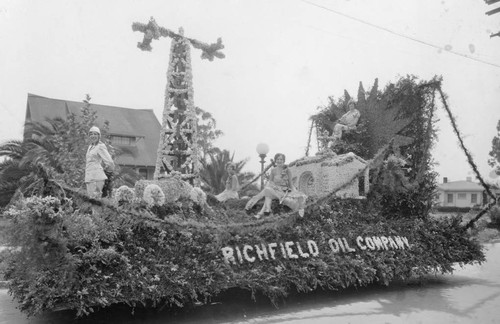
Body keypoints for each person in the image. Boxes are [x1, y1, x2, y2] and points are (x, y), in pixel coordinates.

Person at [245, 153, 306, 218]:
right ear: (275, 160)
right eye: (278, 159)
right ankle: (265, 210)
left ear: (284, 160)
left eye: (281, 159)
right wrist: (274, 187)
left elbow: (291, 184)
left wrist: (296, 193)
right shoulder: (273, 170)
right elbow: (270, 182)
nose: (279, 161)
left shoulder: (287, 170)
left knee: (267, 193)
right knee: (267, 190)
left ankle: (260, 213)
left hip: (284, 191)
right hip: (275, 191)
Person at [85, 126, 115, 198]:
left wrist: (106, 172)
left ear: (99, 136)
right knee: (90, 201)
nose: (93, 136)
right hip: (89, 177)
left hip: (97, 178)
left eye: (95, 134)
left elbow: (110, 163)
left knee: (95, 202)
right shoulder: (90, 147)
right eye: (91, 134)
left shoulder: (100, 146)